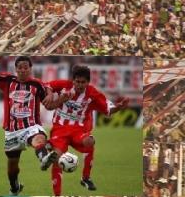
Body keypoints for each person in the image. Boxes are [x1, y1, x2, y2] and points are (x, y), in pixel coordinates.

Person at [42, 65, 130, 195]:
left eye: (83, 82)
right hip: (59, 129)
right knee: (57, 158)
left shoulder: (93, 93)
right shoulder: (64, 85)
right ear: (73, 80)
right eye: (77, 81)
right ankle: (57, 194)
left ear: (88, 82)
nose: (79, 85)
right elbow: (47, 85)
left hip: (78, 130)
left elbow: (108, 109)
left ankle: (85, 178)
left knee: (90, 141)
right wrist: (50, 94)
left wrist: (119, 107)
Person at [0, 56, 53, 195]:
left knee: (38, 137)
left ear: (30, 69)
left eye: (25, 67)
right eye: (20, 67)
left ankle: (44, 158)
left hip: (31, 126)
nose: (22, 70)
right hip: (12, 131)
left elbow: (49, 95)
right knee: (12, 167)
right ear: (15, 69)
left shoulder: (37, 84)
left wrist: (50, 94)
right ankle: (15, 187)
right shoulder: (8, 80)